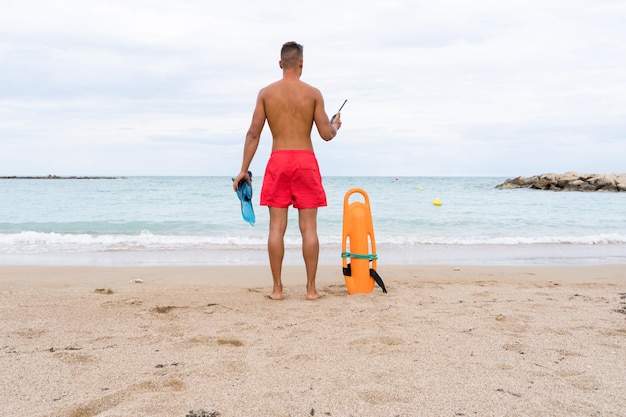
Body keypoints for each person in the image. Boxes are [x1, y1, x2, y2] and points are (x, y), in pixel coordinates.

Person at [233, 41, 342, 301]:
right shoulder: (313, 93)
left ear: (281, 64)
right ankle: (311, 290)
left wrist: (243, 170)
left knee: (276, 228)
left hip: (278, 160)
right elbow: (326, 134)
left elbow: (253, 133)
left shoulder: (266, 93)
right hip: (305, 160)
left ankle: (277, 290)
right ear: (301, 64)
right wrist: (335, 124)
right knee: (309, 229)